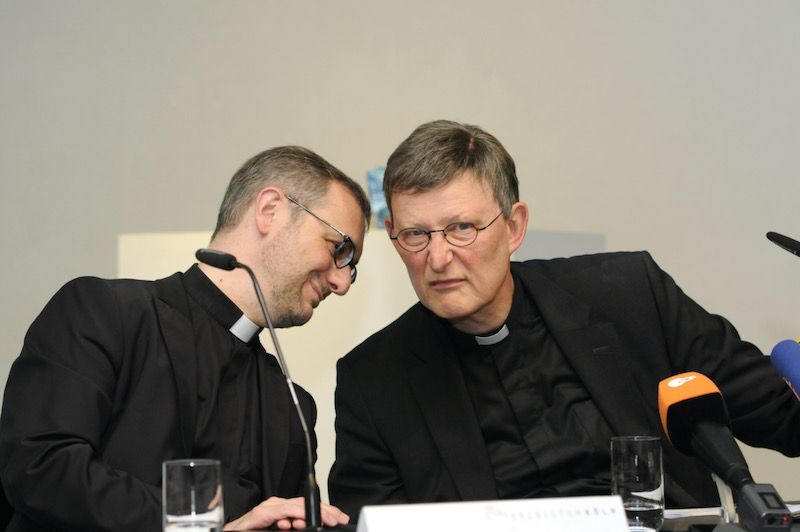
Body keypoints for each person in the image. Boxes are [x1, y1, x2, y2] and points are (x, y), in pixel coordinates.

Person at [327, 120, 800, 520]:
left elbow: (782, 416)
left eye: (461, 228)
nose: (438, 257)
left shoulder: (630, 295)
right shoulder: (373, 382)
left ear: (513, 228)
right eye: (415, 234)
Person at [0, 146, 370, 531]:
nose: (341, 282)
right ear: (270, 210)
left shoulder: (295, 407)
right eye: (339, 248)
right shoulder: (102, 312)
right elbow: (41, 467)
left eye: (352, 268)